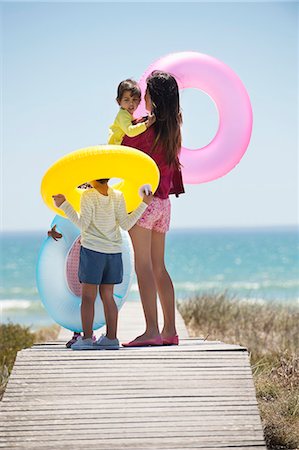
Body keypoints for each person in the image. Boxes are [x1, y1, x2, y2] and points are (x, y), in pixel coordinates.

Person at [121, 71, 185, 348]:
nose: (142, 97)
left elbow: (121, 149)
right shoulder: (174, 128)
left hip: (145, 203)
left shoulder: (144, 128)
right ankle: (169, 330)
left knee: (143, 266)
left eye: (146, 92)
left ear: (154, 98)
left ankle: (151, 331)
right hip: (164, 204)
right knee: (159, 267)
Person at [52, 179, 153, 350]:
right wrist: (144, 203)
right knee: (108, 296)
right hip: (113, 253)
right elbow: (126, 224)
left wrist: (64, 205)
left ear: (91, 177)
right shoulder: (118, 195)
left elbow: (83, 224)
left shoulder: (88, 196)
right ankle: (112, 338)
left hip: (93, 252)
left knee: (88, 297)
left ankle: (87, 339)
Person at [108, 79, 156, 145]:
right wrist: (146, 124)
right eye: (126, 100)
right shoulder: (123, 114)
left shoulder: (129, 115)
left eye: (134, 99)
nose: (131, 103)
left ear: (139, 101)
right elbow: (130, 131)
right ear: (119, 101)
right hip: (115, 148)